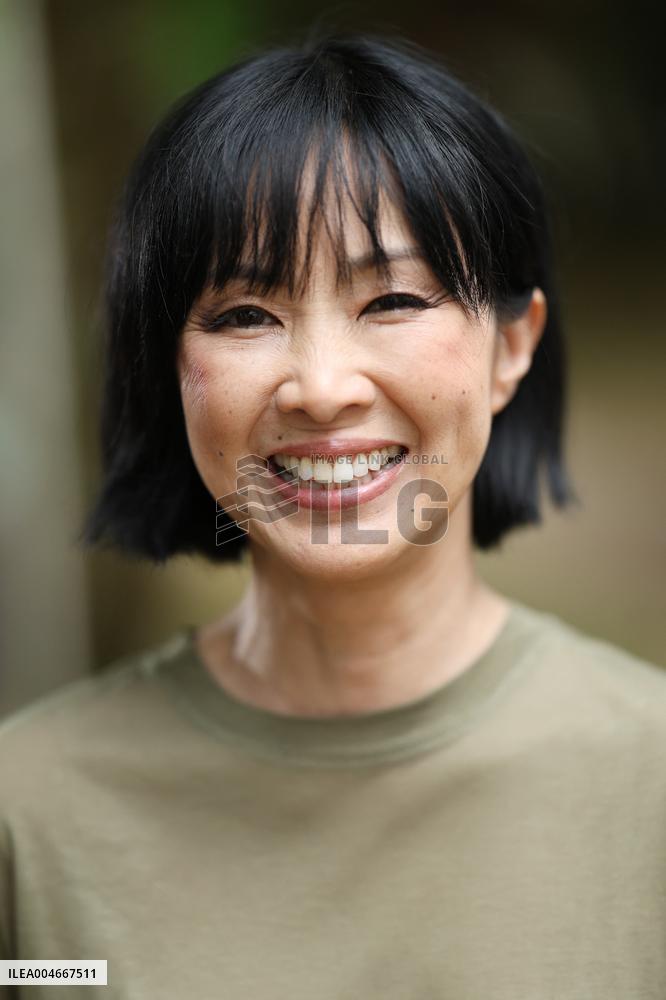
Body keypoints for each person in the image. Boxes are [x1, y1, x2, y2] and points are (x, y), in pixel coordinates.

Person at [1, 30, 665, 1000]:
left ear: (511, 347)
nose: (320, 387)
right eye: (243, 315)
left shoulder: (649, 781)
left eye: (392, 298)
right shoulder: (32, 819)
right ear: (171, 368)